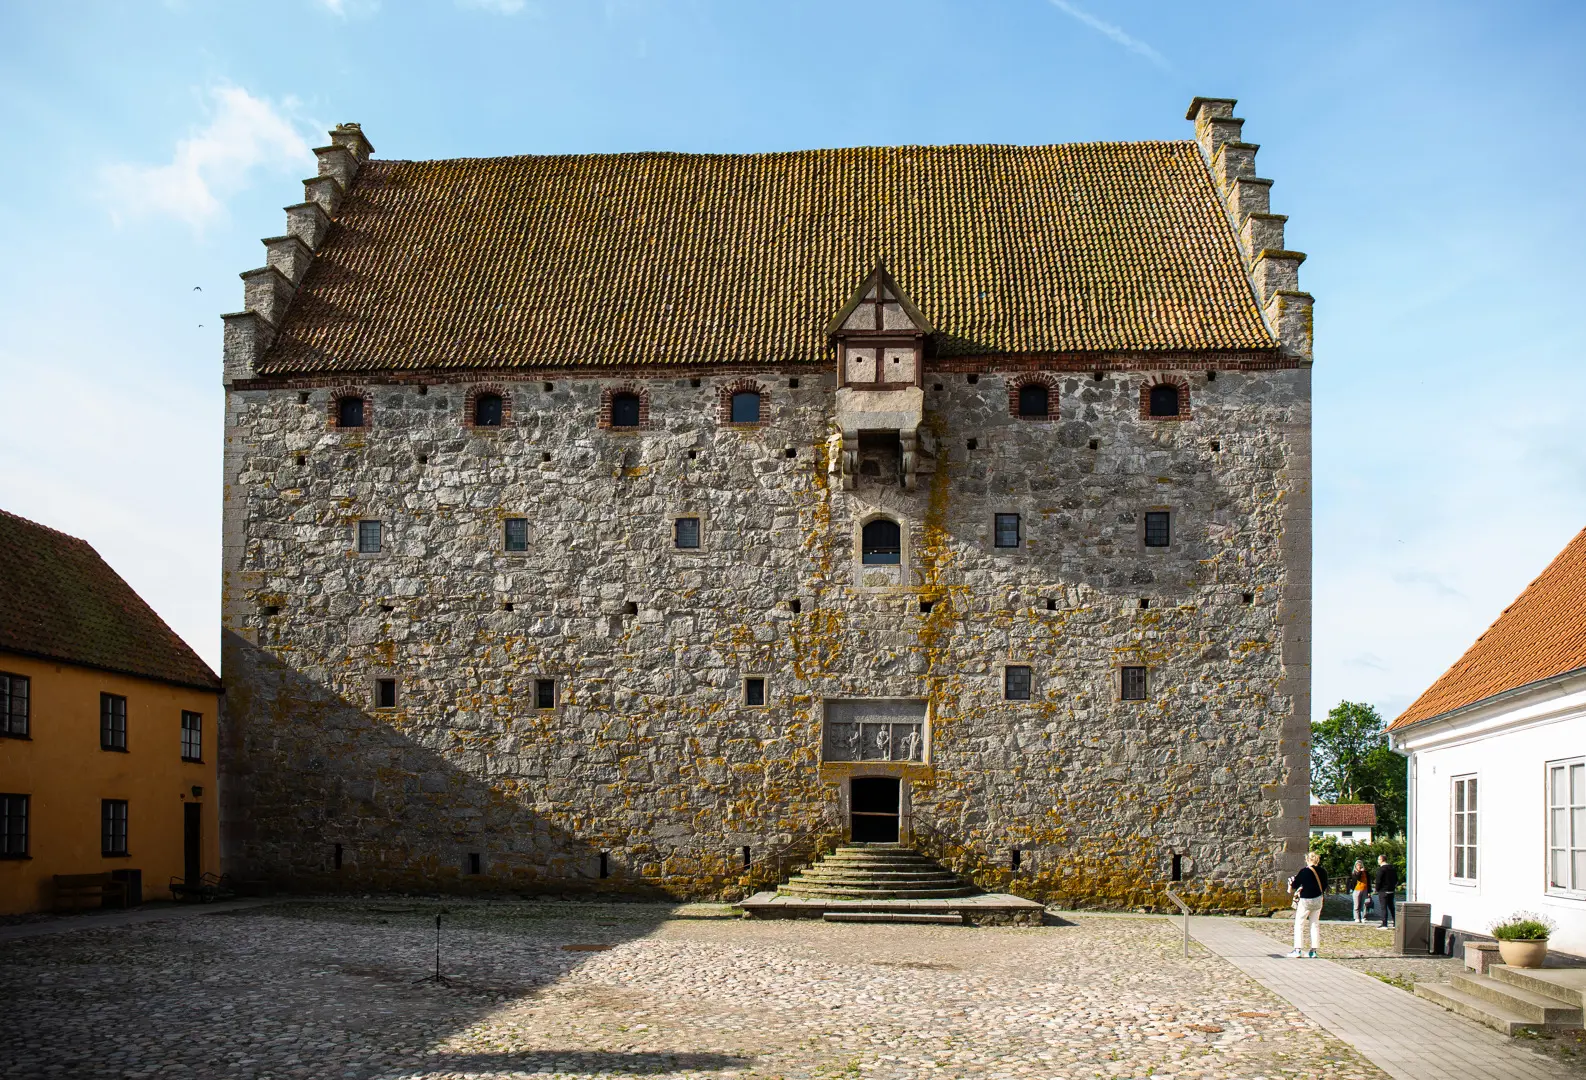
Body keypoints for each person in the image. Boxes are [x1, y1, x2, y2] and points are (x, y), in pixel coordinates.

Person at [1287, 851, 1327, 958]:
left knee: (1299, 924)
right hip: (1318, 899)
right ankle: (1313, 951)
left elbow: (1295, 884)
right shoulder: (1323, 871)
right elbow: (1325, 885)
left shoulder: (1304, 871)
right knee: (1314, 924)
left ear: (1307, 859)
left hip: (1305, 900)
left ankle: (1298, 949)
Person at [1375, 854, 1398, 929]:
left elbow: (1378, 881)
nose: (1378, 861)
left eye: (1378, 859)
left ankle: (1384, 924)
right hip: (1391, 890)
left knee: (1383, 907)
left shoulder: (1381, 869)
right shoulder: (1392, 869)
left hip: (1383, 890)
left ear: (1382, 860)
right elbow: (1396, 879)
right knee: (1392, 907)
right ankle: (1396, 922)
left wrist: (1377, 889)